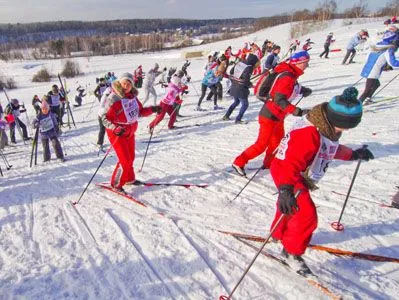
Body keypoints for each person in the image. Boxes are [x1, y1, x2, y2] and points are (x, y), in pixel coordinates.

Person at [269, 87, 374, 274]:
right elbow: (291, 162)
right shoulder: (309, 133)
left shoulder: (325, 126)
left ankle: (277, 233)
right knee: (305, 214)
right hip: (288, 172)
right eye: (347, 125)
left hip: (292, 172)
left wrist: (353, 154)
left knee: (290, 206)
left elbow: (329, 149)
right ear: (338, 119)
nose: (347, 130)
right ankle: (291, 252)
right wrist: (285, 190)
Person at [232, 51, 312, 176]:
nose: (307, 66)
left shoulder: (291, 75)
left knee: (277, 142)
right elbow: (279, 99)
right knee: (261, 144)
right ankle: (238, 162)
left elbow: (289, 88)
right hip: (269, 115)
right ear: (298, 63)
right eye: (305, 63)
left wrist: (304, 90)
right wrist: (297, 111)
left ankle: (270, 164)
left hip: (278, 117)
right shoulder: (288, 76)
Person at [100, 72, 161, 192]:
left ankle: (129, 178)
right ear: (119, 83)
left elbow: (140, 111)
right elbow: (104, 118)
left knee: (131, 157)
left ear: (132, 85)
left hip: (130, 131)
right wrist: (115, 128)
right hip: (117, 133)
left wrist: (153, 109)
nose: (126, 86)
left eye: (129, 83)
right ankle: (116, 184)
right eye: (124, 83)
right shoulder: (114, 98)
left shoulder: (132, 97)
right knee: (124, 160)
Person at [358, 29, 399, 104]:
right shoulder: (388, 49)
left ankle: (368, 99)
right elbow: (392, 63)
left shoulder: (377, 45)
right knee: (367, 90)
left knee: (376, 84)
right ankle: (357, 106)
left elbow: (368, 57)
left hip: (368, 69)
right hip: (373, 72)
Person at [222, 53, 259, 124]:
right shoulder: (249, 67)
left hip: (234, 86)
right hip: (241, 89)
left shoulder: (240, 63)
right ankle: (238, 119)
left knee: (236, 102)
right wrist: (250, 85)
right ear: (253, 61)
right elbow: (245, 81)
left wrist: (237, 79)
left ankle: (226, 116)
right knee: (245, 104)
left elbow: (231, 72)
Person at [33, 98, 65, 163]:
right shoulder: (39, 116)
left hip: (52, 132)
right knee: (45, 146)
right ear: (41, 109)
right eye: (43, 109)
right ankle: (47, 159)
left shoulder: (51, 114)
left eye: (46, 109)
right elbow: (33, 124)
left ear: (48, 108)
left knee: (56, 144)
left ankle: (60, 156)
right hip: (43, 134)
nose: (45, 110)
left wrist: (57, 128)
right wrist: (37, 124)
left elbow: (55, 121)